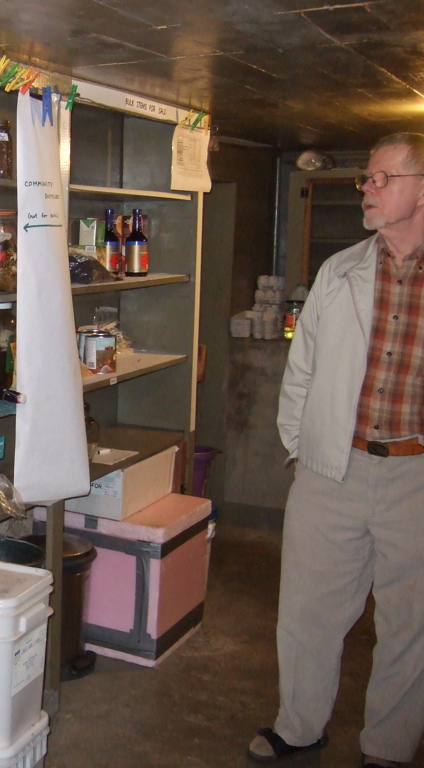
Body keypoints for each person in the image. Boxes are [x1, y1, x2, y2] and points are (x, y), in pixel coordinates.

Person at [248, 133, 424, 767]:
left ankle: (389, 747)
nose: (367, 189)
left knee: (413, 625)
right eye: (366, 179)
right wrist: (304, 449)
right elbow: (302, 370)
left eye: (382, 178)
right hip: (334, 471)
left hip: (416, 478)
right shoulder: (340, 270)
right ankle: (299, 727)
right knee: (307, 612)